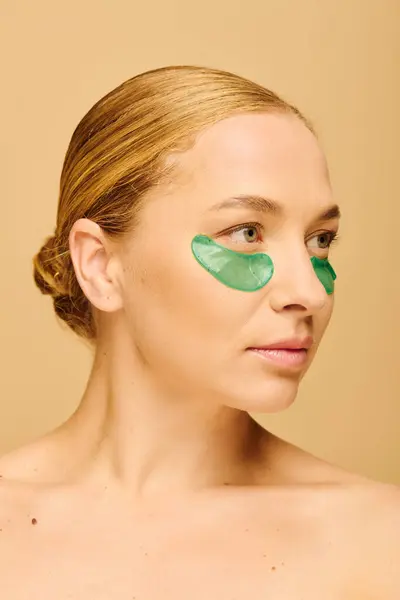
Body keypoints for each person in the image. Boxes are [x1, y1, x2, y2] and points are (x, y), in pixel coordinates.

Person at [0, 65, 398, 599]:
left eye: (320, 239)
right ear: (99, 265)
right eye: (247, 233)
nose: (310, 291)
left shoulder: (378, 541)